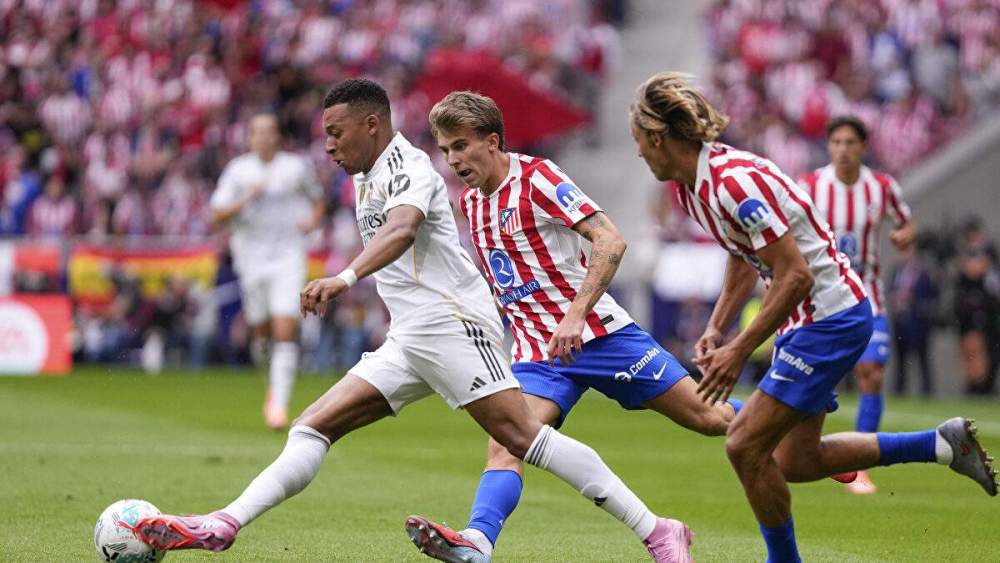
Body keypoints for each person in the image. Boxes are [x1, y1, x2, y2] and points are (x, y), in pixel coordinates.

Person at [133, 78, 685, 561]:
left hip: (453, 324)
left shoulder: (410, 167)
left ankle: (657, 531)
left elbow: (400, 231)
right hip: (411, 334)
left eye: (336, 132)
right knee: (312, 426)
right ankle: (223, 523)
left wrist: (344, 278)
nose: (328, 146)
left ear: (372, 125)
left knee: (520, 436)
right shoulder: (364, 176)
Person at [628, 71, 997, 563]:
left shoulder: (732, 183)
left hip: (832, 318)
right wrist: (719, 327)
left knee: (742, 445)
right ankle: (943, 444)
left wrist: (739, 350)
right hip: (808, 322)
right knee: (797, 461)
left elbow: (796, 275)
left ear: (658, 137)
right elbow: (743, 257)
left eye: (639, 142)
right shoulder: (693, 190)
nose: (638, 154)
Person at [406, 91, 740, 563]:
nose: (453, 159)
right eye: (445, 150)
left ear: (492, 141)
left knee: (707, 419)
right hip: (538, 354)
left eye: (460, 145)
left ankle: (786, 422)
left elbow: (610, 239)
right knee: (507, 439)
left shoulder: (538, 178)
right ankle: (478, 542)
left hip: (601, 336)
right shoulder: (472, 206)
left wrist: (576, 313)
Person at [797, 115, 917, 494]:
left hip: (869, 297)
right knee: (811, 377)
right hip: (822, 299)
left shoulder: (881, 186)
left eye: (851, 142)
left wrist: (903, 235)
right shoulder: (812, 186)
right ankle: (798, 448)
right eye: (837, 142)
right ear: (829, 146)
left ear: (864, 147)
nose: (843, 149)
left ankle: (858, 464)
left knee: (873, 373)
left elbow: (907, 222)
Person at [208, 112, 326, 429]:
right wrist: (246, 198)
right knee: (260, 334)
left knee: (285, 326)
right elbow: (216, 216)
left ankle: (279, 405)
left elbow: (317, 199)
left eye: (269, 132)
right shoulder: (238, 171)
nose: (263, 137)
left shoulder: (295, 167)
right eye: (257, 132)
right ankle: (272, 387)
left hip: (288, 255)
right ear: (249, 138)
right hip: (250, 259)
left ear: (278, 136)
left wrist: (313, 221)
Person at [889, 242, 937, 396]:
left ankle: (927, 391)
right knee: (901, 360)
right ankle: (899, 390)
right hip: (900, 321)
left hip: (918, 322)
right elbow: (890, 289)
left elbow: (930, 295)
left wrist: (914, 301)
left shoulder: (923, 272)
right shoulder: (896, 271)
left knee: (922, 360)